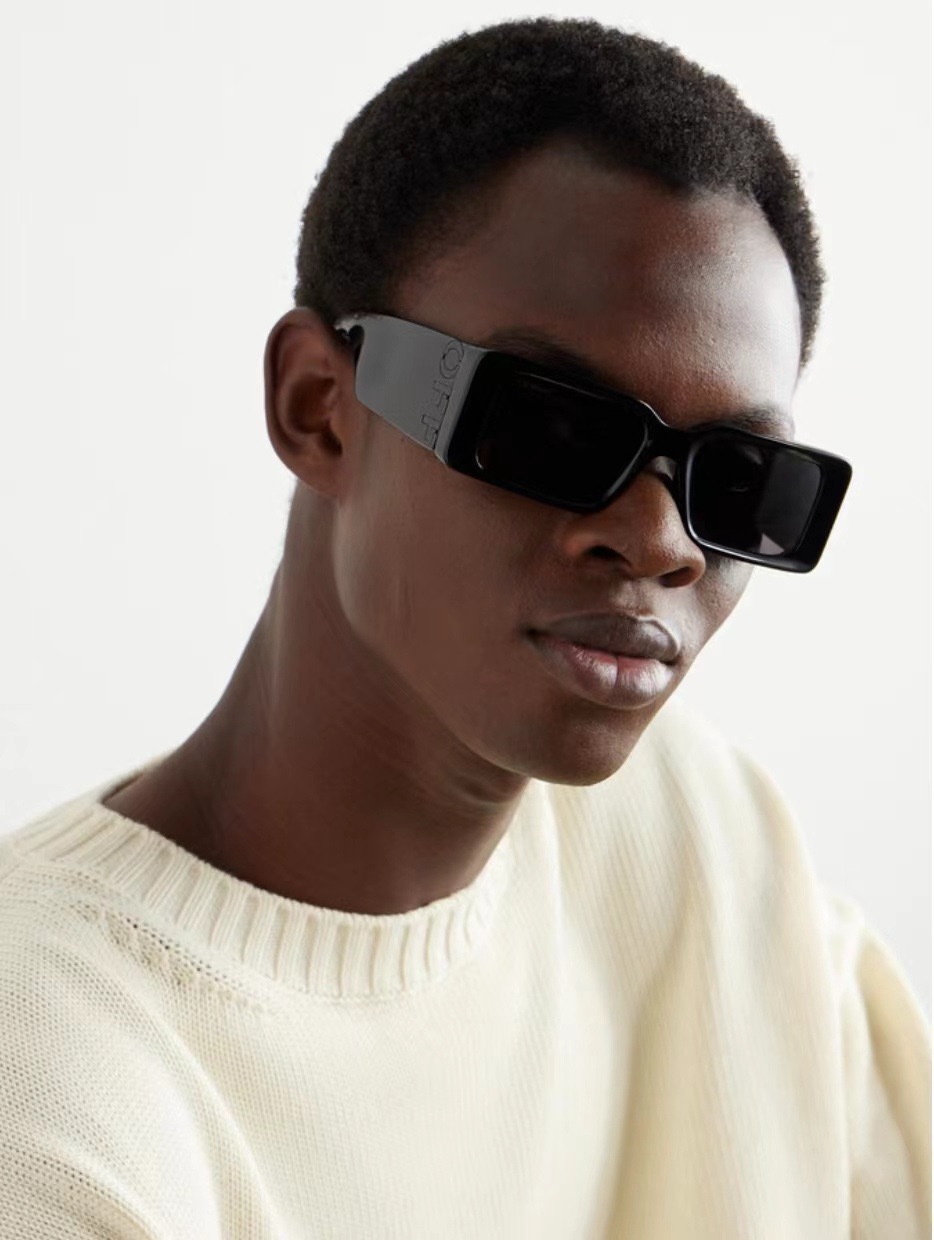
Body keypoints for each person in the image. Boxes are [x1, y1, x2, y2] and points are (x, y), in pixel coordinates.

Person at [1, 16, 928, 1239]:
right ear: (319, 407)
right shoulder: (50, 1097)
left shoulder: (705, 851)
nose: (661, 541)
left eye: (741, 480)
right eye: (552, 426)